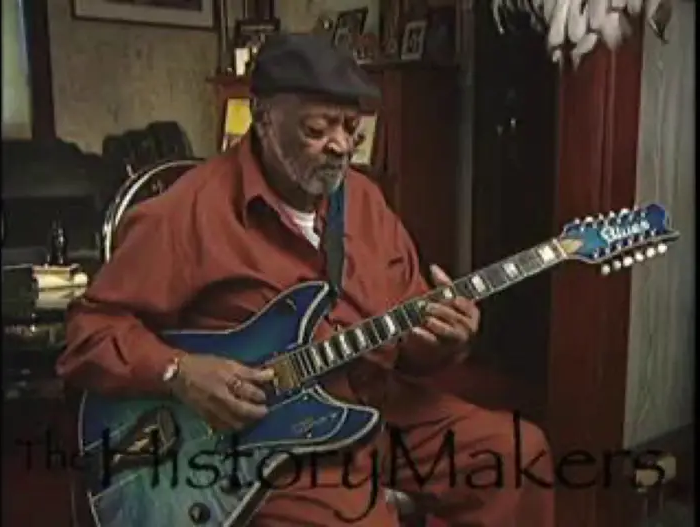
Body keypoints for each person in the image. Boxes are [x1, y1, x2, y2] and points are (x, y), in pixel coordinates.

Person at [58, 33, 554, 527]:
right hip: (268, 438)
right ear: (264, 117)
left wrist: (446, 339)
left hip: (376, 408)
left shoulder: (366, 203)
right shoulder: (186, 214)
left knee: (516, 456)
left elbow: (409, 341)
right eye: (317, 129)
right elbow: (89, 334)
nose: (340, 145)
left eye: (351, 128)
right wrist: (180, 371)